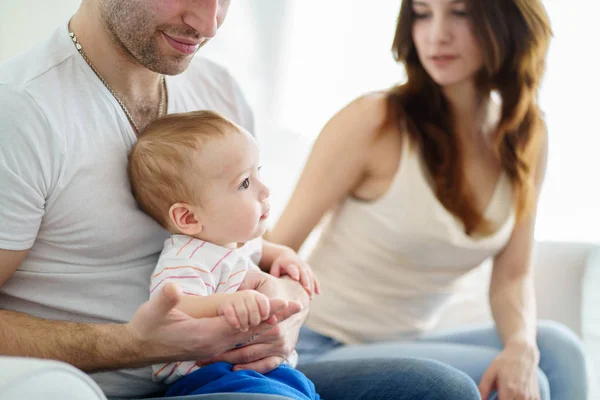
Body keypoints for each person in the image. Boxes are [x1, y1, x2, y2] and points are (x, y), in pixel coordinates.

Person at [0, 0, 483, 399]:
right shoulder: (23, 111)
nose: (207, 23)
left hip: (246, 368)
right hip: (119, 387)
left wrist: (288, 312)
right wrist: (130, 344)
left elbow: (249, 244)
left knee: (442, 390)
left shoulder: (218, 89)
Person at [269, 0, 589, 399]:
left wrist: (521, 345)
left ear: (506, 21)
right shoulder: (375, 120)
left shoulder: (526, 135)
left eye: (461, 12)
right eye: (422, 13)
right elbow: (276, 247)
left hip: (405, 346)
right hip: (317, 345)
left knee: (556, 348)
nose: (437, 34)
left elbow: (512, 275)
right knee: (525, 383)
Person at [128, 110, 319, 399]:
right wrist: (227, 303)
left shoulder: (238, 242)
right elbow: (175, 309)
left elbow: (265, 250)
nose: (265, 190)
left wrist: (285, 255)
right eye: (244, 183)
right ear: (188, 218)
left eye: (259, 173)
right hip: (209, 378)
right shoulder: (186, 258)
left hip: (265, 371)